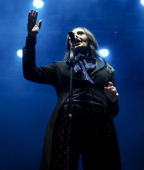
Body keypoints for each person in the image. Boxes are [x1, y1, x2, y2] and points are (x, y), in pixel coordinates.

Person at [23, 9, 121, 170]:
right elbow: (30, 73)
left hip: (99, 122)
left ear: (90, 41)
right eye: (72, 34)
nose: (76, 36)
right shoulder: (60, 67)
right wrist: (30, 39)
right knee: (62, 165)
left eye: (80, 33)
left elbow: (113, 112)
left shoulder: (106, 70)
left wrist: (112, 100)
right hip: (67, 120)